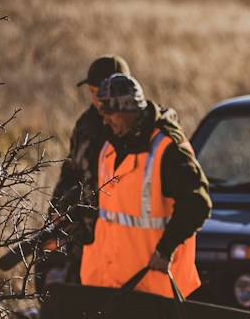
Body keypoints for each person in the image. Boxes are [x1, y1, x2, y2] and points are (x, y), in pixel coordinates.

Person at [78, 73, 211, 298]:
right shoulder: (108, 145)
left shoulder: (168, 150)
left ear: (130, 111)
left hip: (152, 289)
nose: (105, 120)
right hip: (106, 285)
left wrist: (165, 250)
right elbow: (104, 205)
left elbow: (197, 204)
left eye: (110, 113)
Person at [49, 55, 129, 280]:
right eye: (92, 92)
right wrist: (57, 207)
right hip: (83, 230)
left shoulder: (131, 126)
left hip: (118, 233)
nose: (95, 98)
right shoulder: (85, 124)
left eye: (98, 91)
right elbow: (71, 169)